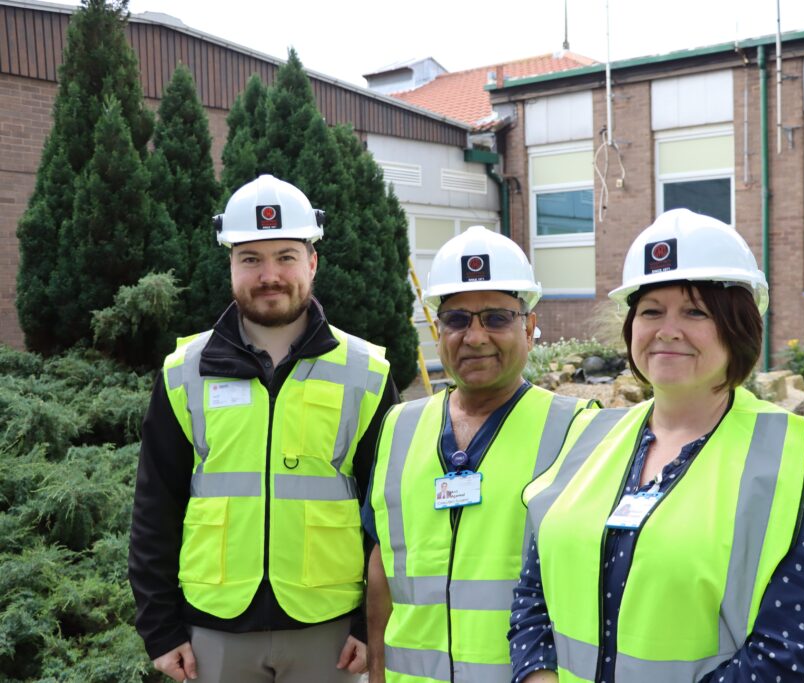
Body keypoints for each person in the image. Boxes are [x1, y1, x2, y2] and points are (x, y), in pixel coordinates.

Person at [511, 209, 804, 683]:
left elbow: (793, 657)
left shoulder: (802, 462)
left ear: (738, 326)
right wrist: (537, 676)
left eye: (695, 311)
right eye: (651, 310)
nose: (667, 329)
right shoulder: (586, 437)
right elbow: (533, 590)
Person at [128, 174, 398, 682]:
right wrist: (161, 630)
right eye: (251, 258)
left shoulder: (367, 373)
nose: (269, 274)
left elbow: (389, 514)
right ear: (230, 265)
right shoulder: (183, 371)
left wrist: (371, 622)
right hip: (214, 631)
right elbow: (155, 507)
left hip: (331, 631)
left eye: (285, 256)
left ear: (312, 262)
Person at [364, 226, 597, 683]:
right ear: (438, 329)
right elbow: (381, 571)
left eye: (496, 318)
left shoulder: (576, 429)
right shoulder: (399, 426)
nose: (474, 337)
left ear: (529, 328)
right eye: (456, 320)